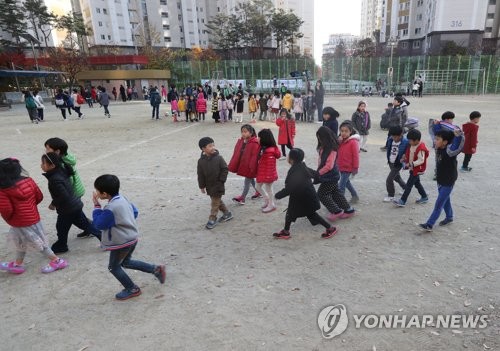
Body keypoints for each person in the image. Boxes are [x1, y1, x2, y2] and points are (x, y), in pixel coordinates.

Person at [92, 174, 165, 300]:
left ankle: (132, 288)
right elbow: (135, 212)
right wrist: (125, 222)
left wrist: (97, 206)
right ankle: (156, 269)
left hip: (121, 242)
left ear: (104, 194)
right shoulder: (122, 198)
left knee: (113, 267)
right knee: (126, 262)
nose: (96, 193)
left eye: (97, 191)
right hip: (131, 238)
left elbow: (99, 225)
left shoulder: (111, 208)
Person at [0, 158, 68, 274]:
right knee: (21, 242)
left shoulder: (3, 190)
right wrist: (30, 208)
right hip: (33, 218)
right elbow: (39, 197)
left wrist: (10, 217)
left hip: (19, 221)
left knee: (38, 242)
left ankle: (57, 261)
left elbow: (6, 209)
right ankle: (18, 264)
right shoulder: (28, 180)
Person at [273, 148, 338, 240]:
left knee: (300, 214)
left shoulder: (295, 171)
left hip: (302, 199)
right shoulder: (303, 167)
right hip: (306, 197)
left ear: (291, 159)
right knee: (297, 214)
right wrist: (314, 181)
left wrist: (278, 195)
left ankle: (330, 228)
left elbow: (290, 188)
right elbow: (316, 174)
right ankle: (286, 231)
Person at [41, 152, 100, 253]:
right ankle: (103, 236)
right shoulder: (60, 172)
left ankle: (61, 245)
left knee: (61, 227)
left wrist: (53, 204)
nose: (41, 165)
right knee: (84, 223)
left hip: (67, 209)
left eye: (43, 163)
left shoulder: (54, 179)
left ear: (52, 165)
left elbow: (63, 195)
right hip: (75, 205)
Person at [44, 137, 92, 238]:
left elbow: (66, 185)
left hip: (73, 192)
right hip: (75, 191)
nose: (46, 151)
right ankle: (90, 228)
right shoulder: (66, 157)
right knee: (77, 214)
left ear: (57, 151)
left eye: (48, 149)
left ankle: (93, 228)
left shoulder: (60, 164)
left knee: (73, 216)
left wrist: (54, 203)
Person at [419, 129, 464, 231]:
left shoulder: (450, 151)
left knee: (439, 203)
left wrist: (457, 136)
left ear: (445, 142)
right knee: (445, 200)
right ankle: (449, 217)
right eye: (435, 138)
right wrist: (437, 123)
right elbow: (437, 128)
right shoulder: (438, 148)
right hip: (440, 179)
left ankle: (429, 224)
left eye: (438, 139)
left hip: (448, 181)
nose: (435, 141)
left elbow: (456, 145)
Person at [313, 126, 355, 221]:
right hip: (328, 176)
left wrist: (318, 173)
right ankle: (349, 210)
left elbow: (329, 166)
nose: (319, 140)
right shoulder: (323, 147)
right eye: (318, 138)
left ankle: (336, 211)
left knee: (321, 194)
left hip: (330, 177)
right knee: (336, 194)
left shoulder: (332, 149)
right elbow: (321, 161)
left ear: (326, 138)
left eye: (320, 138)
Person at [197, 137, 233, 230]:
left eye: (213, 145)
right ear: (203, 149)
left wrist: (221, 180)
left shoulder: (219, 158)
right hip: (209, 186)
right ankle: (227, 213)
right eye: (210, 146)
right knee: (217, 201)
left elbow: (225, 169)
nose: (213, 147)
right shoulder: (201, 161)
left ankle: (212, 218)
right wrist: (202, 186)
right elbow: (200, 174)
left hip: (218, 185)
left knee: (214, 203)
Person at [393, 129, 429, 207]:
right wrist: (404, 158)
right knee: (417, 184)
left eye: (410, 141)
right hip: (413, 169)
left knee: (408, 185)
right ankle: (424, 196)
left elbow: (421, 160)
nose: (409, 142)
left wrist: (411, 164)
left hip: (416, 169)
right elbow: (409, 153)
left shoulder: (421, 147)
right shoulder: (412, 145)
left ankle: (402, 200)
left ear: (416, 140)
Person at [228, 124, 260, 205]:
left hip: (250, 166)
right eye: (242, 132)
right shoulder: (243, 141)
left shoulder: (254, 143)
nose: (243, 134)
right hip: (246, 164)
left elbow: (254, 157)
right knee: (251, 180)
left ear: (251, 132)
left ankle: (242, 198)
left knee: (247, 182)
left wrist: (252, 167)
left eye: (245, 132)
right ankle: (258, 191)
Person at [255, 129, 281, 213]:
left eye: (259, 137)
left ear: (264, 139)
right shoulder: (263, 148)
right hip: (263, 173)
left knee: (268, 189)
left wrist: (268, 177)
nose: (257, 139)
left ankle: (271, 204)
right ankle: (267, 200)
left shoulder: (269, 152)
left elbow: (270, 166)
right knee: (257, 186)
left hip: (268, 175)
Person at [337, 121, 360, 204]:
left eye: (346, 131)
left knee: (341, 186)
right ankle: (355, 196)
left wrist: (355, 168)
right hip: (341, 166)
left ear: (350, 131)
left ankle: (340, 203)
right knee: (347, 183)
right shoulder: (341, 140)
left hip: (348, 167)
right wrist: (338, 142)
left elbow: (356, 156)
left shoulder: (353, 142)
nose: (343, 133)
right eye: (342, 131)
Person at [384, 126, 408, 202]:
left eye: (396, 137)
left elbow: (408, 152)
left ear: (401, 134)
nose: (394, 138)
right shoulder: (390, 139)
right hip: (391, 162)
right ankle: (406, 188)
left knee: (389, 179)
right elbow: (389, 149)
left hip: (398, 164)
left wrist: (404, 158)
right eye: (392, 136)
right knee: (396, 178)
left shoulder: (405, 142)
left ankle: (391, 195)